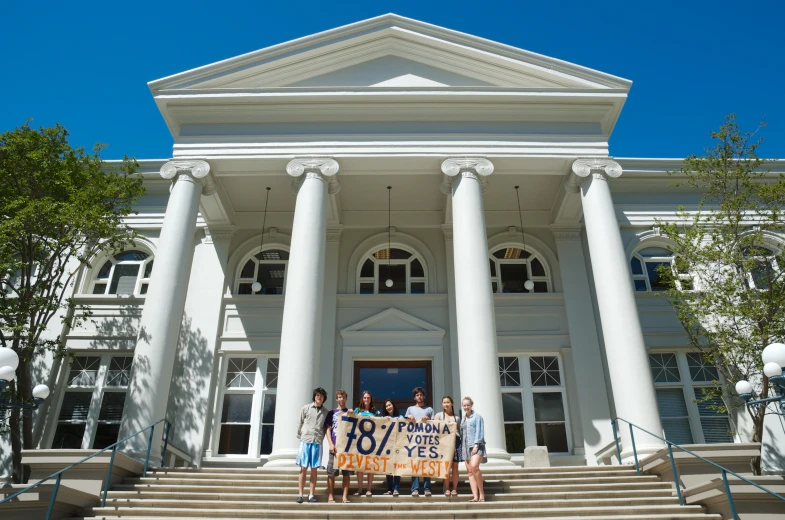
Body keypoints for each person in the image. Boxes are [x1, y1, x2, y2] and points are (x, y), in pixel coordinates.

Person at [295, 387, 329, 504]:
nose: (319, 397)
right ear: (314, 396)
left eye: (322, 396)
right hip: (305, 440)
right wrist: (301, 434)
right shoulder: (306, 408)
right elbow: (300, 422)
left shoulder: (326, 412)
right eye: (317, 395)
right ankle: (300, 494)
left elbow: (326, 428)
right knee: (303, 468)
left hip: (317, 442)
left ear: (324, 398)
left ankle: (311, 495)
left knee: (314, 469)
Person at [324, 389, 353, 504]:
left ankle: (344, 497)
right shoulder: (331, 413)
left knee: (346, 474)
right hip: (334, 447)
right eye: (339, 397)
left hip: (347, 447)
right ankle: (330, 496)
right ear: (337, 399)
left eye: (343, 397)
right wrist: (330, 443)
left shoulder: (350, 412)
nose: (341, 399)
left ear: (346, 399)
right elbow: (328, 429)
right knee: (331, 473)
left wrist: (353, 414)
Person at [405, 386, 434, 497]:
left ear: (423, 396)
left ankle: (427, 488)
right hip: (413, 441)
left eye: (421, 395)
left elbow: (435, 423)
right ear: (415, 397)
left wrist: (429, 420)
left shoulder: (429, 409)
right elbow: (405, 422)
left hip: (426, 441)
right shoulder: (410, 409)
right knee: (415, 465)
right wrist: (409, 417)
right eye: (417, 395)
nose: (419, 396)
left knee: (426, 464)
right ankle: (415, 489)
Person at [351, 390, 378, 497]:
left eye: (368, 398)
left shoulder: (375, 412)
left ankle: (369, 489)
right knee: (360, 468)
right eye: (365, 398)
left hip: (371, 444)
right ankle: (360, 489)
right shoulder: (357, 411)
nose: (367, 400)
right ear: (362, 399)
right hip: (359, 443)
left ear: (371, 400)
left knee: (370, 467)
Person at [434, 395, 462, 496]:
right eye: (444, 402)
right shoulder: (438, 416)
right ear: (442, 404)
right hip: (444, 443)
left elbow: (459, 431)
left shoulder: (457, 417)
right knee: (446, 466)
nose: (446, 404)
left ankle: (454, 488)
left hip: (455, 442)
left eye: (448, 402)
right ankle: (447, 488)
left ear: (452, 404)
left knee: (455, 467)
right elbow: (434, 429)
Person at [461, 396, 486, 503]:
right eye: (464, 405)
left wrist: (476, 445)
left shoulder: (477, 417)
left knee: (475, 467)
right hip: (465, 446)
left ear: (471, 405)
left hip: (476, 445)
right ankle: (475, 496)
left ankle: (482, 494)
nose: (466, 407)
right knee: (470, 472)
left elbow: (480, 432)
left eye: (468, 405)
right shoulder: (463, 418)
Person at [382, 399, 403, 496]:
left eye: (389, 405)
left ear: (393, 405)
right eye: (386, 406)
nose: (388, 407)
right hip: (388, 447)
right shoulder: (384, 419)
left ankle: (396, 489)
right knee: (389, 468)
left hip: (398, 447)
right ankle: (389, 489)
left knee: (397, 469)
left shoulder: (400, 417)